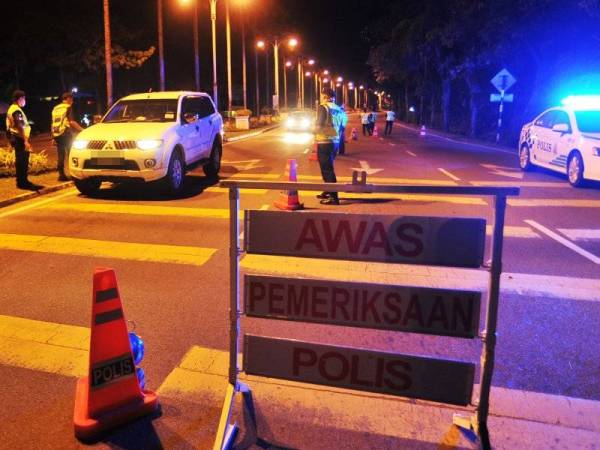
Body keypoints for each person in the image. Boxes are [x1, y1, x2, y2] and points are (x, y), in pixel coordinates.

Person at [314, 87, 343, 205]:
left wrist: (312, 131)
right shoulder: (338, 109)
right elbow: (342, 126)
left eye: (321, 95)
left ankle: (334, 197)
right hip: (335, 142)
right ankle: (327, 189)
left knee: (327, 170)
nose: (321, 98)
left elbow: (319, 124)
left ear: (325, 96)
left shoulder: (323, 107)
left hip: (324, 141)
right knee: (327, 168)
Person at [5, 90, 39, 190]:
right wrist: (25, 140)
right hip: (20, 138)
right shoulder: (16, 110)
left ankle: (22, 181)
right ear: (20, 99)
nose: (25, 101)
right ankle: (23, 182)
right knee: (22, 161)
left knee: (21, 161)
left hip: (17, 138)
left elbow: (8, 126)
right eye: (24, 98)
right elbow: (19, 125)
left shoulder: (12, 109)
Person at [52, 92, 83, 180]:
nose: (72, 101)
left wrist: (53, 136)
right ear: (68, 99)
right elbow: (71, 121)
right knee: (71, 153)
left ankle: (61, 175)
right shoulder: (68, 107)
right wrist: (82, 129)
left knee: (60, 154)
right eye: (72, 99)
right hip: (65, 133)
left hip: (57, 133)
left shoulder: (56, 108)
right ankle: (73, 174)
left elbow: (53, 122)